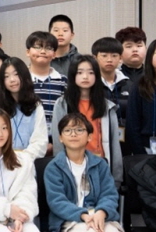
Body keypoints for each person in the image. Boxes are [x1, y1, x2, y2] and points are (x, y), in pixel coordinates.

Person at [50, 56, 123, 186]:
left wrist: (117, 178)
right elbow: (57, 139)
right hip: (72, 164)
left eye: (90, 72)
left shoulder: (107, 106)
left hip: (100, 163)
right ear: (73, 75)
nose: (85, 77)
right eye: (80, 72)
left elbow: (114, 144)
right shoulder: (62, 104)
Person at [0, 57, 48, 159]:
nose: (12, 80)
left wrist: (23, 157)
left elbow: (40, 141)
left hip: (29, 160)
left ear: (24, 76)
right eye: (6, 76)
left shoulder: (36, 106)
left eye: (16, 74)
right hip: (2, 160)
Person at [91, 36, 132, 156]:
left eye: (114, 56)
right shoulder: (91, 84)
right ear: (94, 58)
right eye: (104, 56)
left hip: (125, 140)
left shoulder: (130, 85)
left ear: (120, 58)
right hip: (97, 138)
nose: (109, 60)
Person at [26, 31, 67, 148]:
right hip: (26, 142)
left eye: (48, 48)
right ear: (28, 52)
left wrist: (55, 143)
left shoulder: (63, 81)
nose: (43, 51)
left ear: (54, 54)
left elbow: (66, 114)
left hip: (57, 141)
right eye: (37, 47)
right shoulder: (20, 80)